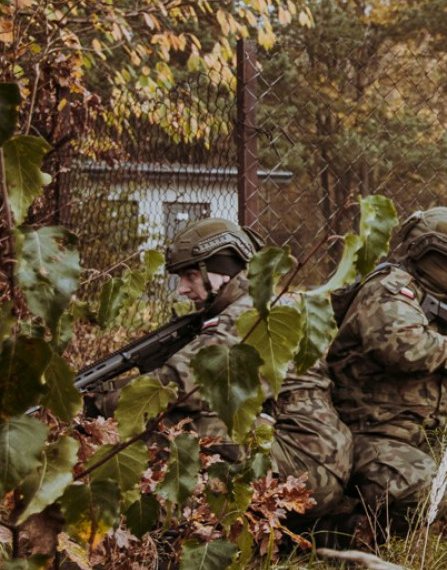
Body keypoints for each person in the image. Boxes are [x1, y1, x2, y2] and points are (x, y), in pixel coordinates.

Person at [93, 217, 354, 525]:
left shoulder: (250, 313)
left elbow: (182, 385)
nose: (182, 290)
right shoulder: (257, 304)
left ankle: (165, 535)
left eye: (190, 276)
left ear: (222, 270)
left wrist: (97, 404)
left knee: (171, 425)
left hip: (304, 462)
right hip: (315, 458)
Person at [326, 207, 447, 544]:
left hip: (417, 429)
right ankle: (338, 528)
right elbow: (402, 347)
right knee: (424, 485)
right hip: (368, 433)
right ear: (434, 260)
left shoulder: (438, 299)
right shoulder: (390, 289)